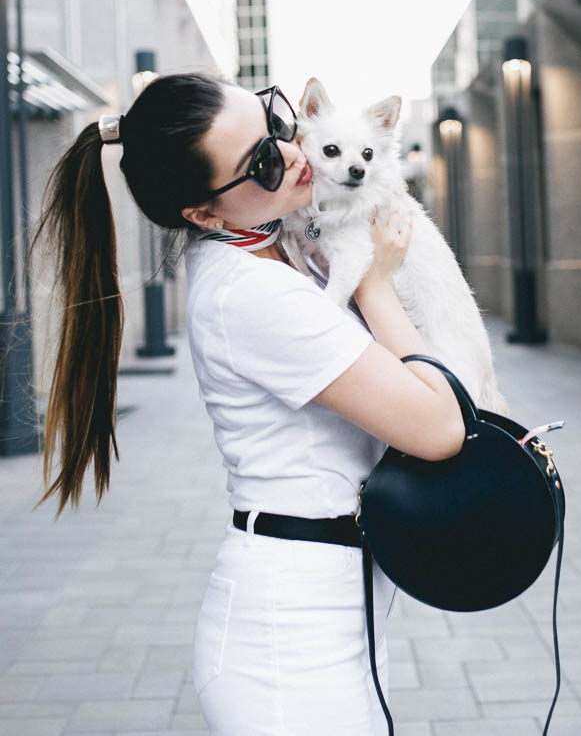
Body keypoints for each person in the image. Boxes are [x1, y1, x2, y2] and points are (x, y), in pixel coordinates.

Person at [32, 72, 464, 735]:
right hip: (290, 644)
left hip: (328, 607)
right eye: (261, 160)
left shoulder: (280, 249)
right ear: (204, 214)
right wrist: (375, 283)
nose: (292, 153)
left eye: (276, 124)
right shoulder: (254, 294)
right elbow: (439, 427)